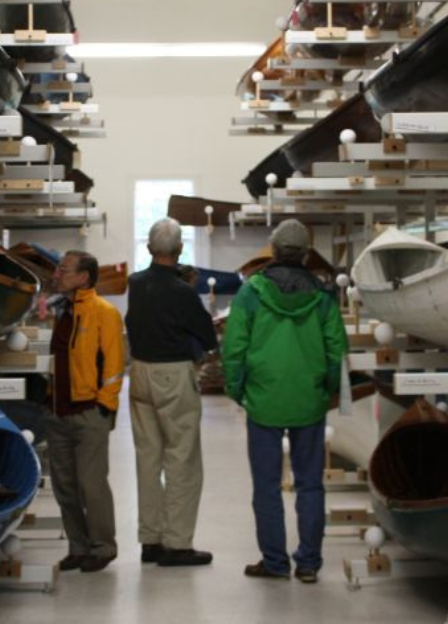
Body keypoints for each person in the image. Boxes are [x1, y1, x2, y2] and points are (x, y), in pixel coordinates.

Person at [221, 219, 348, 583]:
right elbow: (337, 350)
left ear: (273, 252)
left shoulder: (252, 292)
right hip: (309, 400)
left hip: (263, 400)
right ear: (306, 254)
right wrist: (326, 389)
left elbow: (234, 347)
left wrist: (237, 388)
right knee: (310, 484)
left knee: (266, 485)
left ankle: (275, 563)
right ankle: (308, 562)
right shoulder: (323, 296)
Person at [125, 218, 218, 567]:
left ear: (149, 248)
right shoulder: (183, 292)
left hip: (139, 372)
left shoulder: (135, 283)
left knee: (147, 458)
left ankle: (150, 540)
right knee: (182, 458)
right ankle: (177, 544)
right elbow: (208, 337)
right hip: (173, 374)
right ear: (180, 250)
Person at [46, 250, 126, 573]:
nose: (56, 274)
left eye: (64, 270)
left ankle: (103, 547)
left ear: (83, 277)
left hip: (90, 412)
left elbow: (115, 365)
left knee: (91, 485)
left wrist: (105, 405)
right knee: (64, 485)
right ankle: (78, 547)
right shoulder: (62, 312)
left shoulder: (104, 312)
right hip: (58, 412)